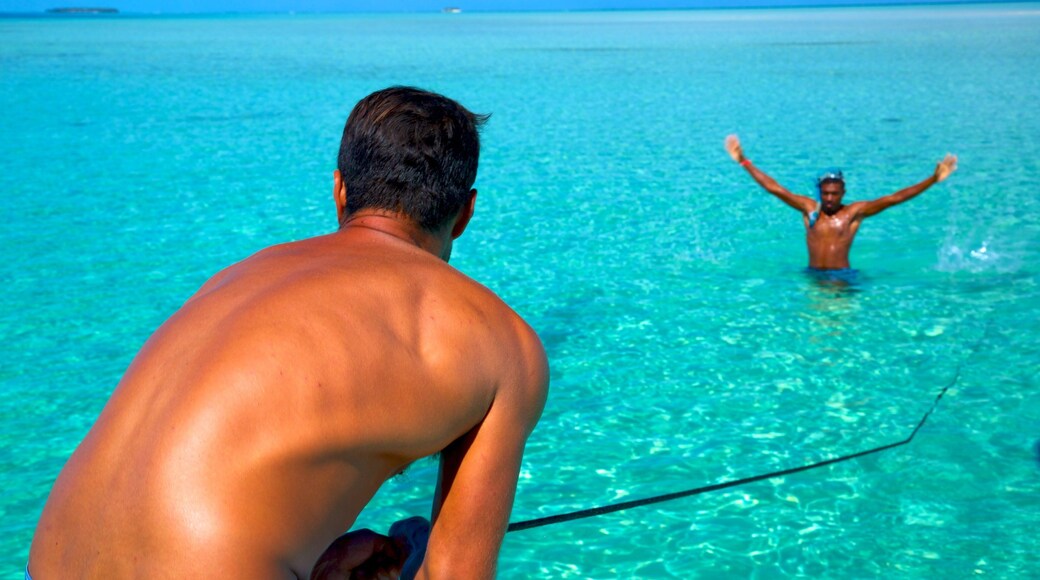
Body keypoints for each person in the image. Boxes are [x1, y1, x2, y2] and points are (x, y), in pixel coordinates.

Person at [28, 86, 549, 579]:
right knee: (415, 543)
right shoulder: (504, 343)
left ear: (340, 190)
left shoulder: (240, 275)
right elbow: (454, 573)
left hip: (44, 564)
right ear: (465, 214)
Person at [724, 134, 958, 271]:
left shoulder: (854, 213)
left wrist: (933, 179)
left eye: (834, 194)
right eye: (825, 193)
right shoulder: (809, 209)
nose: (829, 198)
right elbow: (774, 188)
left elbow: (894, 198)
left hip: (843, 278)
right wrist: (744, 161)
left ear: (843, 192)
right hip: (813, 276)